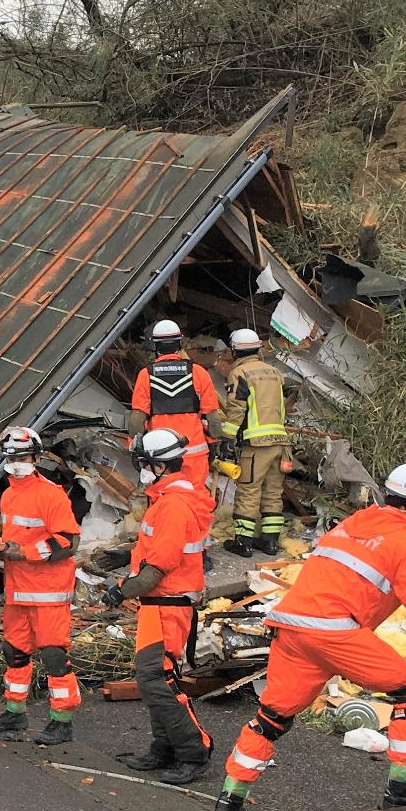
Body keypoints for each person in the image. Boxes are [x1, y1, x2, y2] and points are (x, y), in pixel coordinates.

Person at [214, 464, 406, 811]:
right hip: (335, 633)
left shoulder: (353, 525)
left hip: (290, 626)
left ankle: (231, 795)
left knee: (272, 716)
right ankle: (400, 792)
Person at [100, 428, 216, 784]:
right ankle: (164, 748)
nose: (141, 470)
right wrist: (126, 557)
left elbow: (157, 570)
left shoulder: (173, 505)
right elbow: (159, 554)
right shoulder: (168, 499)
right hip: (160, 604)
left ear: (159, 466)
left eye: (143, 464)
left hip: (166, 604)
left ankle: (194, 751)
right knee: (154, 679)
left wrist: (120, 591)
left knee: (158, 680)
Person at [0, 426, 83, 745]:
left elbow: (69, 541)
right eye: (11, 457)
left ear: (36, 457)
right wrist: (1, 546)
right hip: (18, 590)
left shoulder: (50, 494)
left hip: (49, 592)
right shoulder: (9, 494)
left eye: (22, 457)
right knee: (14, 651)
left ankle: (62, 720)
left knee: (53, 655)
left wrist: (22, 552)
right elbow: (19, 537)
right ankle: (15, 711)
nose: (16, 462)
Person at [220, 328, 292, 557]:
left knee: (248, 492)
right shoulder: (275, 372)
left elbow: (236, 410)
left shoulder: (239, 373)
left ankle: (243, 543)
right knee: (273, 492)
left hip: (256, 445)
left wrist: (227, 438)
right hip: (281, 444)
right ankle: (269, 543)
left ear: (234, 350)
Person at [127, 319, 222, 489]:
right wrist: (213, 442)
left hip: (162, 457)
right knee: (196, 498)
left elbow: (137, 420)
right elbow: (213, 419)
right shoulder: (198, 372)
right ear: (179, 342)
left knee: (165, 496)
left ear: (155, 345)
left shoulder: (146, 375)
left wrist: (136, 446)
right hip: (195, 453)